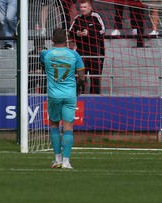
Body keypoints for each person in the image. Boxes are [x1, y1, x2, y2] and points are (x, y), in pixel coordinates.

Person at [40, 28, 85, 169]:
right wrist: (79, 86)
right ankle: (66, 162)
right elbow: (82, 76)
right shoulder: (74, 54)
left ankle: (57, 159)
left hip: (54, 95)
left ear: (52, 39)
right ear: (66, 40)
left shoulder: (45, 54)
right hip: (70, 94)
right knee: (68, 127)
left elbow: (43, 66)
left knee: (54, 124)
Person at [69, 0, 105, 94]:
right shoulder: (77, 19)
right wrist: (76, 33)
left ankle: (95, 97)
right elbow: (70, 32)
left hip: (95, 52)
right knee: (81, 76)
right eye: (81, 7)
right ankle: (80, 96)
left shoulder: (96, 17)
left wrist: (89, 33)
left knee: (95, 77)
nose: (83, 9)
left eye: (85, 7)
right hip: (81, 53)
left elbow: (102, 31)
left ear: (90, 8)